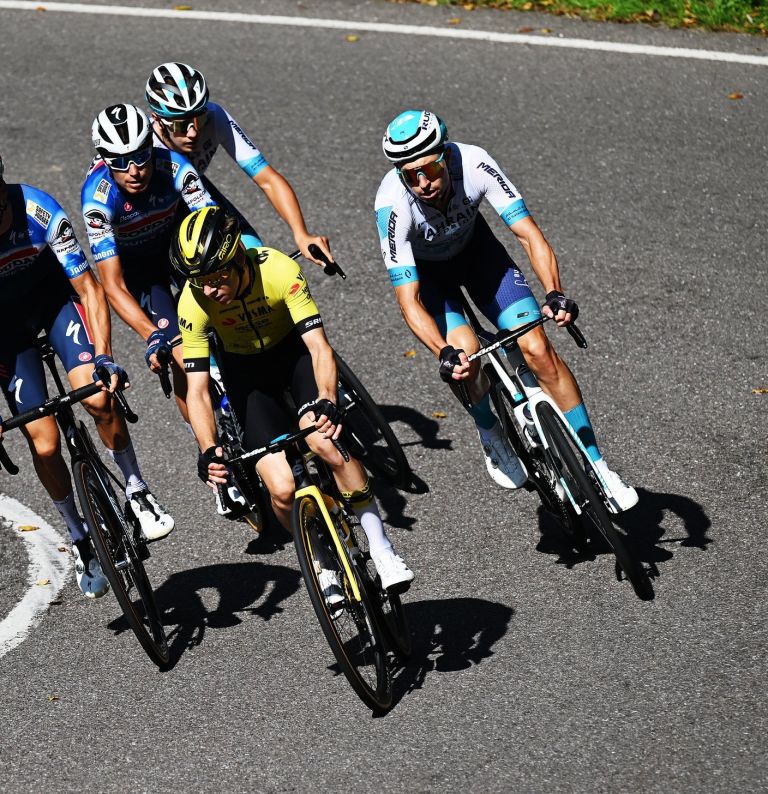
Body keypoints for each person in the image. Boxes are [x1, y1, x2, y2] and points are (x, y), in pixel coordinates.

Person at [0, 141, 174, 598]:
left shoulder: (39, 210)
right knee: (44, 443)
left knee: (98, 397)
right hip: (8, 330)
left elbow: (89, 289)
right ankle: (79, 535)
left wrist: (103, 355)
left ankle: (136, 488)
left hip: (55, 306)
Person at [373, 109, 637, 510]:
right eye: (411, 176)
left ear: (446, 155)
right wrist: (443, 353)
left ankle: (599, 467)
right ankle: (490, 430)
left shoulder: (473, 162)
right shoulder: (391, 205)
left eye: (430, 169)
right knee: (465, 358)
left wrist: (554, 293)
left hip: (479, 257)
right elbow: (409, 300)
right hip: (431, 280)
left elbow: (528, 234)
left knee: (538, 349)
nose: (423, 183)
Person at [173, 206, 414, 597]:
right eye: (200, 281)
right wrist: (208, 449)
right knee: (282, 489)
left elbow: (318, 347)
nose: (210, 290)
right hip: (248, 379)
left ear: (238, 259)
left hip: (294, 358)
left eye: (217, 278)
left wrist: (327, 399)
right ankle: (321, 562)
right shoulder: (193, 302)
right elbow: (197, 389)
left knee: (324, 442)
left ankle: (382, 549)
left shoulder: (279, 270)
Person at [81, 103, 216, 420]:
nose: (134, 170)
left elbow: (213, 225)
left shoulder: (175, 167)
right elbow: (113, 285)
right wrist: (152, 335)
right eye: (120, 162)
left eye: (141, 157)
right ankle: (205, 439)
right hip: (140, 272)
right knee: (183, 357)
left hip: (180, 251)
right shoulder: (97, 199)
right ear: (105, 159)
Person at [144, 61, 332, 267]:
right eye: (181, 125)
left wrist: (301, 234)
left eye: (199, 118)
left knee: (252, 255)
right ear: (157, 119)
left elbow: (267, 179)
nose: (193, 132)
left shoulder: (215, 116)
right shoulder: (146, 147)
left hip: (195, 192)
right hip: (151, 213)